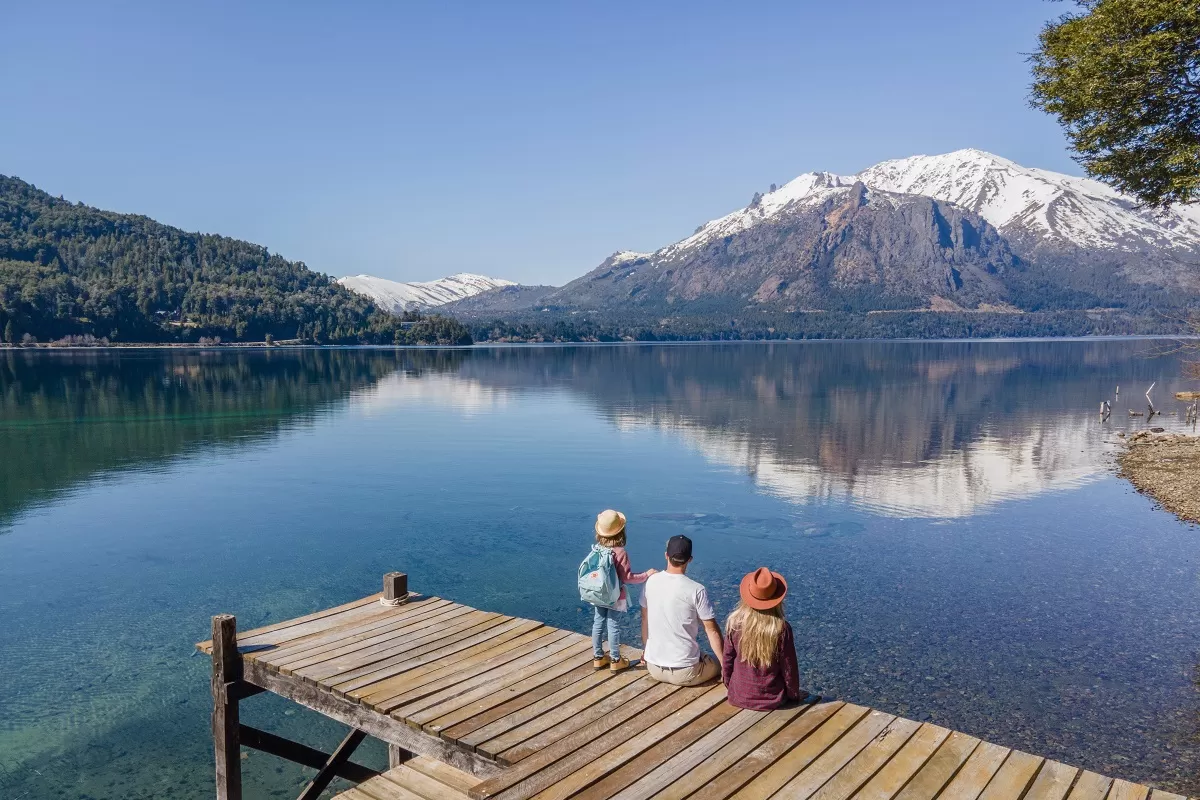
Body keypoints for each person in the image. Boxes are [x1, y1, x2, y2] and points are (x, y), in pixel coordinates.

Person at [639, 535, 723, 686]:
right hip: (686, 673)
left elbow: (644, 619)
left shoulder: (650, 581)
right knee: (720, 660)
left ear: (666, 555)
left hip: (653, 667)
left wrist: (646, 652)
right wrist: (726, 666)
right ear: (690, 559)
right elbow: (712, 631)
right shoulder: (696, 589)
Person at [722, 567, 801, 710]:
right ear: (777, 600)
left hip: (738, 696)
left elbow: (727, 660)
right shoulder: (781, 629)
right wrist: (794, 694)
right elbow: (789, 669)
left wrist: (731, 686)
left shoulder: (734, 624)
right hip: (772, 699)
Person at [590, 509, 656, 673]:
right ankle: (615, 659)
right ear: (621, 531)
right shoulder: (620, 552)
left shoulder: (597, 549)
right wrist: (646, 575)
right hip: (615, 595)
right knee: (613, 626)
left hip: (598, 593)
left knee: (598, 622)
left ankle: (598, 657)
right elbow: (627, 578)